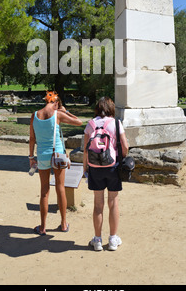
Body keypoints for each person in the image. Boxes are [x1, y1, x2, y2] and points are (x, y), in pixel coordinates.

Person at [29, 90, 83, 235]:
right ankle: (63, 224)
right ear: (56, 103)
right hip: (58, 154)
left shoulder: (35, 115)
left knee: (44, 191)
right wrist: (66, 111)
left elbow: (32, 139)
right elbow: (79, 122)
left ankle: (43, 227)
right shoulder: (58, 114)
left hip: (42, 155)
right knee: (60, 188)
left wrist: (30, 157)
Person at [83, 96, 129, 251]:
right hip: (112, 166)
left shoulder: (90, 124)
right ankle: (113, 239)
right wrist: (120, 158)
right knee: (113, 202)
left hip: (94, 167)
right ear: (111, 108)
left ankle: (97, 240)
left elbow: (85, 149)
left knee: (97, 204)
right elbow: (125, 146)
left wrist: (85, 168)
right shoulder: (116, 123)